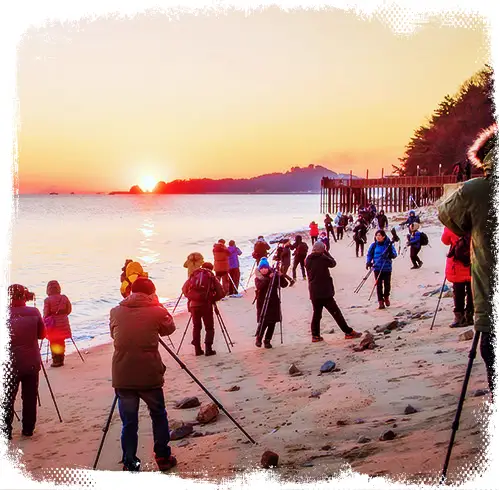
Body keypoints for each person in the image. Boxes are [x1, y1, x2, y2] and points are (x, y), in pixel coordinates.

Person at [439, 123, 497, 396]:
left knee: (492, 351)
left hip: (491, 297)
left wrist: (463, 184)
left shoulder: (477, 191)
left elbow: (450, 219)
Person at [109, 277, 177, 472]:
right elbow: (169, 328)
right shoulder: (156, 311)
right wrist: (157, 306)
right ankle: (163, 456)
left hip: (123, 374)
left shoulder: (115, 311)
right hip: (149, 374)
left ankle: (130, 461)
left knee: (129, 422)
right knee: (158, 414)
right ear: (151, 294)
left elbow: (114, 335)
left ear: (131, 292)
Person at [2, 284, 45, 440]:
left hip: (8, 364)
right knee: (30, 397)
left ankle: (5, 431)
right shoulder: (34, 312)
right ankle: (28, 429)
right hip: (31, 361)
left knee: (7, 397)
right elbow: (42, 334)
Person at [305, 241, 362, 342]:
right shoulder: (322, 258)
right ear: (322, 250)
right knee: (336, 313)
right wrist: (326, 253)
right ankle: (348, 332)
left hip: (314, 291)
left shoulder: (308, 259)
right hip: (325, 292)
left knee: (317, 314)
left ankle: (315, 335)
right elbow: (333, 263)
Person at [182, 262, 225, 356]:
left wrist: (192, 297)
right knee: (209, 327)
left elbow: (184, 289)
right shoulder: (211, 276)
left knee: (196, 327)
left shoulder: (194, 275)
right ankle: (208, 349)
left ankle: (197, 349)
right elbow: (221, 293)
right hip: (206, 305)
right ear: (211, 269)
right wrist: (212, 299)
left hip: (193, 305)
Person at [441, 227, 473, 328]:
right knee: (471, 291)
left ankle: (459, 317)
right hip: (472, 262)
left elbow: (445, 241)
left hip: (457, 265)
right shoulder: (472, 224)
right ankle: (469, 315)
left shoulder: (451, 226)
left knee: (458, 292)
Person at [254, 258, 289, 348]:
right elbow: (259, 287)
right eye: (262, 268)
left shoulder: (274, 276)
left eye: (266, 268)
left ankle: (267, 340)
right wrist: (268, 279)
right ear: (260, 269)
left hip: (273, 302)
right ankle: (259, 338)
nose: (264, 270)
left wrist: (280, 276)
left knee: (272, 322)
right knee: (263, 322)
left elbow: (284, 284)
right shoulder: (258, 278)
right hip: (263, 303)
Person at [43, 280, 72, 367]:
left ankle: (56, 361)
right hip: (63, 322)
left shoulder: (47, 300)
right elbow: (69, 310)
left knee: (54, 342)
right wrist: (62, 316)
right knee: (61, 340)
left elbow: (46, 314)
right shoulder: (64, 297)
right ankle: (61, 359)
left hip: (53, 324)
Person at [366, 230, 398, 309]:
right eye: (376, 235)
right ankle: (380, 302)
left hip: (387, 268)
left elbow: (394, 254)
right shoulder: (374, 245)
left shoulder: (389, 245)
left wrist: (390, 254)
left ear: (383, 236)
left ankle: (386, 297)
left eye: (379, 235)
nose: (378, 237)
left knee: (387, 285)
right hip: (377, 267)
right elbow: (369, 254)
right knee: (378, 285)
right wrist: (368, 262)